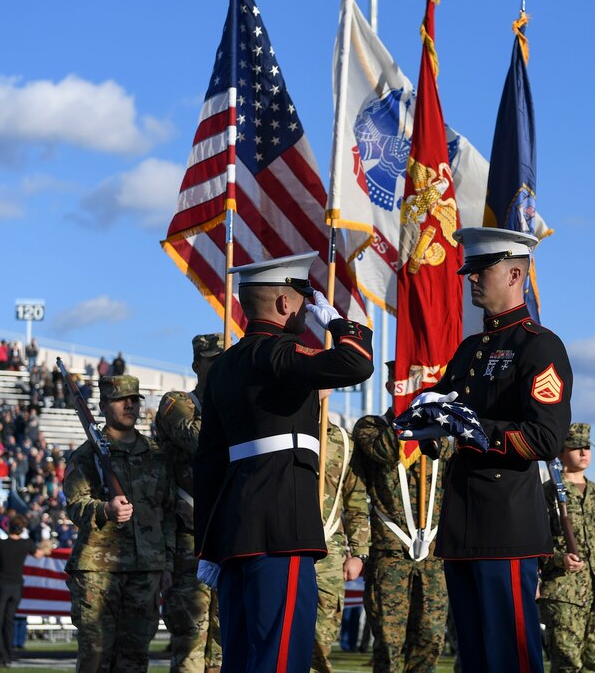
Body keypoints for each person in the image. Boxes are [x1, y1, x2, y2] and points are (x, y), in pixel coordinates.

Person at [193, 252, 374, 673]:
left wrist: (207, 543)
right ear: (284, 304)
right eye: (303, 299)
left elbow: (207, 463)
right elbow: (357, 362)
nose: (306, 310)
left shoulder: (223, 369)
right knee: (282, 655)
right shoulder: (279, 353)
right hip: (282, 528)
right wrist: (337, 323)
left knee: (240, 657)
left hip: (234, 534)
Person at [412, 227, 573, 673]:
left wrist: (473, 429)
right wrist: (420, 424)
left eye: (483, 269)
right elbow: (441, 419)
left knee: (510, 656)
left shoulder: (538, 347)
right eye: (471, 270)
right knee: (475, 659)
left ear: (516, 273)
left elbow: (545, 438)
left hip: (506, 525)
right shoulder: (468, 352)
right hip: (462, 524)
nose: (471, 279)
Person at [63, 375, 175, 672]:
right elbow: (75, 506)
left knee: (135, 658)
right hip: (98, 569)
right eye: (120, 399)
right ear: (102, 405)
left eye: (135, 399)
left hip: (146, 569)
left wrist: (167, 564)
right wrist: (104, 510)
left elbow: (168, 512)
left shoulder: (156, 454)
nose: (129, 405)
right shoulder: (86, 455)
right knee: (95, 657)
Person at [352, 360, 450, 673]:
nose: (412, 390)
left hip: (433, 555)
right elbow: (385, 451)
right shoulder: (371, 426)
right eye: (405, 383)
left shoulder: (442, 432)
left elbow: (451, 455)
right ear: (390, 387)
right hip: (390, 553)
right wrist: (410, 418)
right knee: (389, 644)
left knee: (430, 640)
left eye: (418, 383)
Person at [156, 333, 225, 673]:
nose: (221, 368)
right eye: (214, 361)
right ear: (197, 364)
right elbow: (198, 440)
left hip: (227, 537)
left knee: (226, 644)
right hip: (188, 541)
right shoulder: (177, 403)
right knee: (191, 644)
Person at [540, 423, 595, 672]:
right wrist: (558, 558)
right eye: (576, 447)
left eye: (587, 447)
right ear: (561, 453)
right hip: (565, 592)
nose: (583, 452)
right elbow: (536, 542)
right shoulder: (546, 493)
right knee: (567, 664)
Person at [312, 412, 370, 673]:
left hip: (329, 554)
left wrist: (359, 553)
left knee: (321, 639)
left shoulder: (344, 441)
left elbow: (356, 501)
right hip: (283, 548)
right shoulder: (282, 430)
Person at [0, 514, 48, 668]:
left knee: (0, 622)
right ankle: (8, 656)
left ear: (8, 527)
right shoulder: (26, 543)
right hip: (16, 588)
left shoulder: (1, 544)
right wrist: (47, 545)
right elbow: (40, 554)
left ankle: (2, 656)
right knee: (9, 622)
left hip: (2, 587)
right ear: (22, 529)